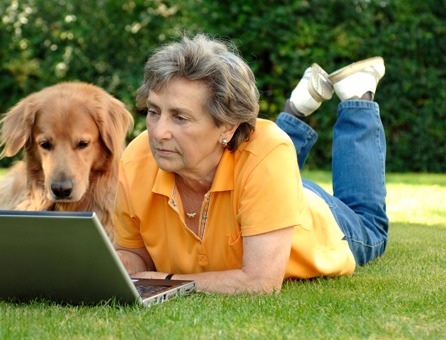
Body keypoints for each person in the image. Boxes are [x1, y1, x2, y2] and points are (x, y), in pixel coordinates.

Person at [113, 34, 388, 295]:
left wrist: (168, 282)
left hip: (318, 214)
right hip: (262, 181)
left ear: (228, 127)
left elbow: (260, 282)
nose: (158, 132)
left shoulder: (267, 156)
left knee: (371, 223)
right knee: (266, 155)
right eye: (153, 111)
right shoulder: (136, 161)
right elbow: (136, 255)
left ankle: (357, 98)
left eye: (180, 118)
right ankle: (299, 106)